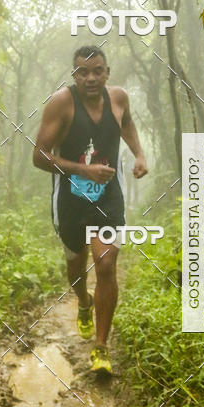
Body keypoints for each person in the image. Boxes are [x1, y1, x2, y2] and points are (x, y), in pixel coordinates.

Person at [33, 46, 148, 374]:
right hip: (70, 198)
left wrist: (139, 154)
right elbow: (39, 156)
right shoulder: (61, 103)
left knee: (107, 263)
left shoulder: (119, 98)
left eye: (97, 71)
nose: (91, 78)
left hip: (108, 196)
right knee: (76, 267)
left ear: (107, 72)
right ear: (74, 75)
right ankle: (83, 301)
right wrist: (83, 170)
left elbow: (127, 124)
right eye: (83, 72)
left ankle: (101, 347)